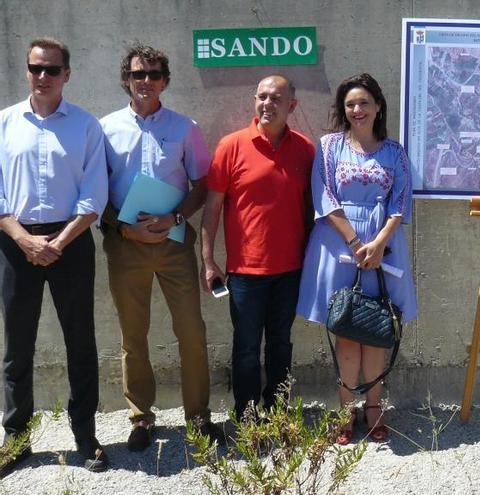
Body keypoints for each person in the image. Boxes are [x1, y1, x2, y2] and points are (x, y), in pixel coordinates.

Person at [100, 43, 223, 450]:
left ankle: (199, 416)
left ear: (165, 81)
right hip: (126, 245)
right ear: (126, 81)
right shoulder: (105, 129)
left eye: (154, 75)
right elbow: (95, 191)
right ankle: (141, 418)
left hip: (174, 244)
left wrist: (174, 218)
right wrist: (123, 229)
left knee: (191, 331)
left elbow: (202, 185)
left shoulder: (184, 128)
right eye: (138, 74)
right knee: (133, 335)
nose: (146, 82)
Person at [0, 38, 109, 472]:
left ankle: (85, 435)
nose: (42, 76)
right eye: (35, 68)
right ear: (27, 70)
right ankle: (17, 439)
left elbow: (94, 191)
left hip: (72, 240)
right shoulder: (4, 123)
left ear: (67, 73)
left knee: (80, 341)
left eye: (51, 69)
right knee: (17, 346)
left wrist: (59, 243)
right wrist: (25, 240)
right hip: (14, 242)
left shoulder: (85, 125)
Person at [296, 73, 417, 444]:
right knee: (347, 330)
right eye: (350, 104)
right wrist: (354, 242)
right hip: (338, 243)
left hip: (384, 245)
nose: (357, 110)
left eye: (364, 102)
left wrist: (379, 243)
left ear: (378, 106)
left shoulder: (395, 152)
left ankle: (375, 409)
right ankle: (344, 411)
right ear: (343, 109)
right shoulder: (329, 146)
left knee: (378, 330)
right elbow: (324, 197)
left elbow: (400, 201)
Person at [201, 75, 314, 419]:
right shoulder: (231, 146)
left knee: (281, 344)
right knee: (247, 348)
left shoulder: (306, 149)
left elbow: (311, 209)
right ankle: (247, 416)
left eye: (276, 98)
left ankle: (278, 411)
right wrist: (208, 260)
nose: (268, 104)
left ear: (291, 106)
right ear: (255, 101)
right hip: (245, 273)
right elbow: (212, 207)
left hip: (291, 269)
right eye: (262, 97)